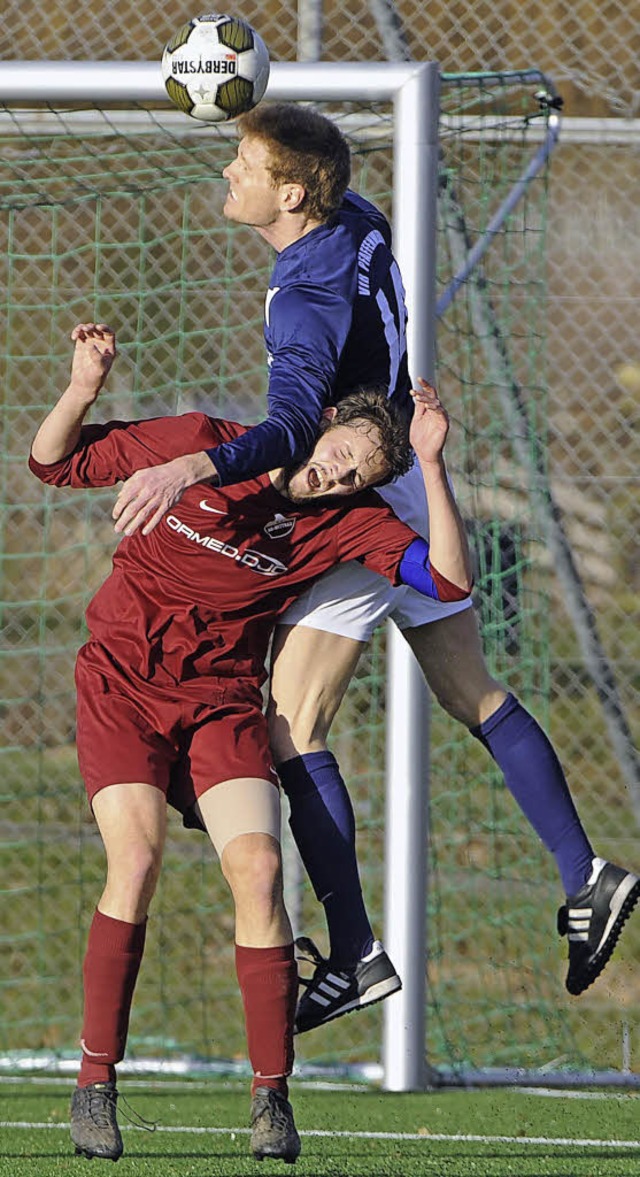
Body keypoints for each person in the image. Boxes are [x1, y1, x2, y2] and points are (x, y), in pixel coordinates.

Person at [107, 103, 640, 1028]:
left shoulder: (302, 303)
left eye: (244, 159)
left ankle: (354, 952)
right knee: (472, 689)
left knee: (291, 720)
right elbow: (323, 187)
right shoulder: (358, 217)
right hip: (401, 471)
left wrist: (194, 462)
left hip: (361, 502)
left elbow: (283, 428)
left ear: (291, 193)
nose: (227, 171)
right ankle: (585, 871)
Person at [29, 322, 473, 1161]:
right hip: (123, 685)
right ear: (321, 421)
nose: (336, 472)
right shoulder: (203, 443)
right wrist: (82, 387)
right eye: (340, 450)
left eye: (357, 475)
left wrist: (433, 465)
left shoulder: (347, 524)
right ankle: (94, 1082)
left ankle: (272, 1098)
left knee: (262, 871)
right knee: (137, 859)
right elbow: (52, 463)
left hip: (220, 705)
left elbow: (449, 578)